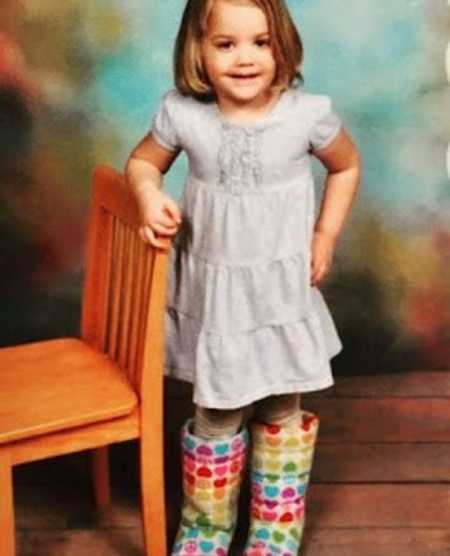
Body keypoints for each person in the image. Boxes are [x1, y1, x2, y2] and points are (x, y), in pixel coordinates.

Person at [126, 0, 361, 553]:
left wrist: (324, 235)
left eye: (260, 41)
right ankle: (206, 529)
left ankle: (275, 529)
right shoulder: (183, 114)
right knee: (217, 408)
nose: (245, 58)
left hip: (279, 295)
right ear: (197, 51)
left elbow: (346, 166)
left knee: (281, 404)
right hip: (218, 298)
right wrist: (146, 197)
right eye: (225, 44)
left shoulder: (307, 115)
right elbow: (142, 163)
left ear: (282, 43)